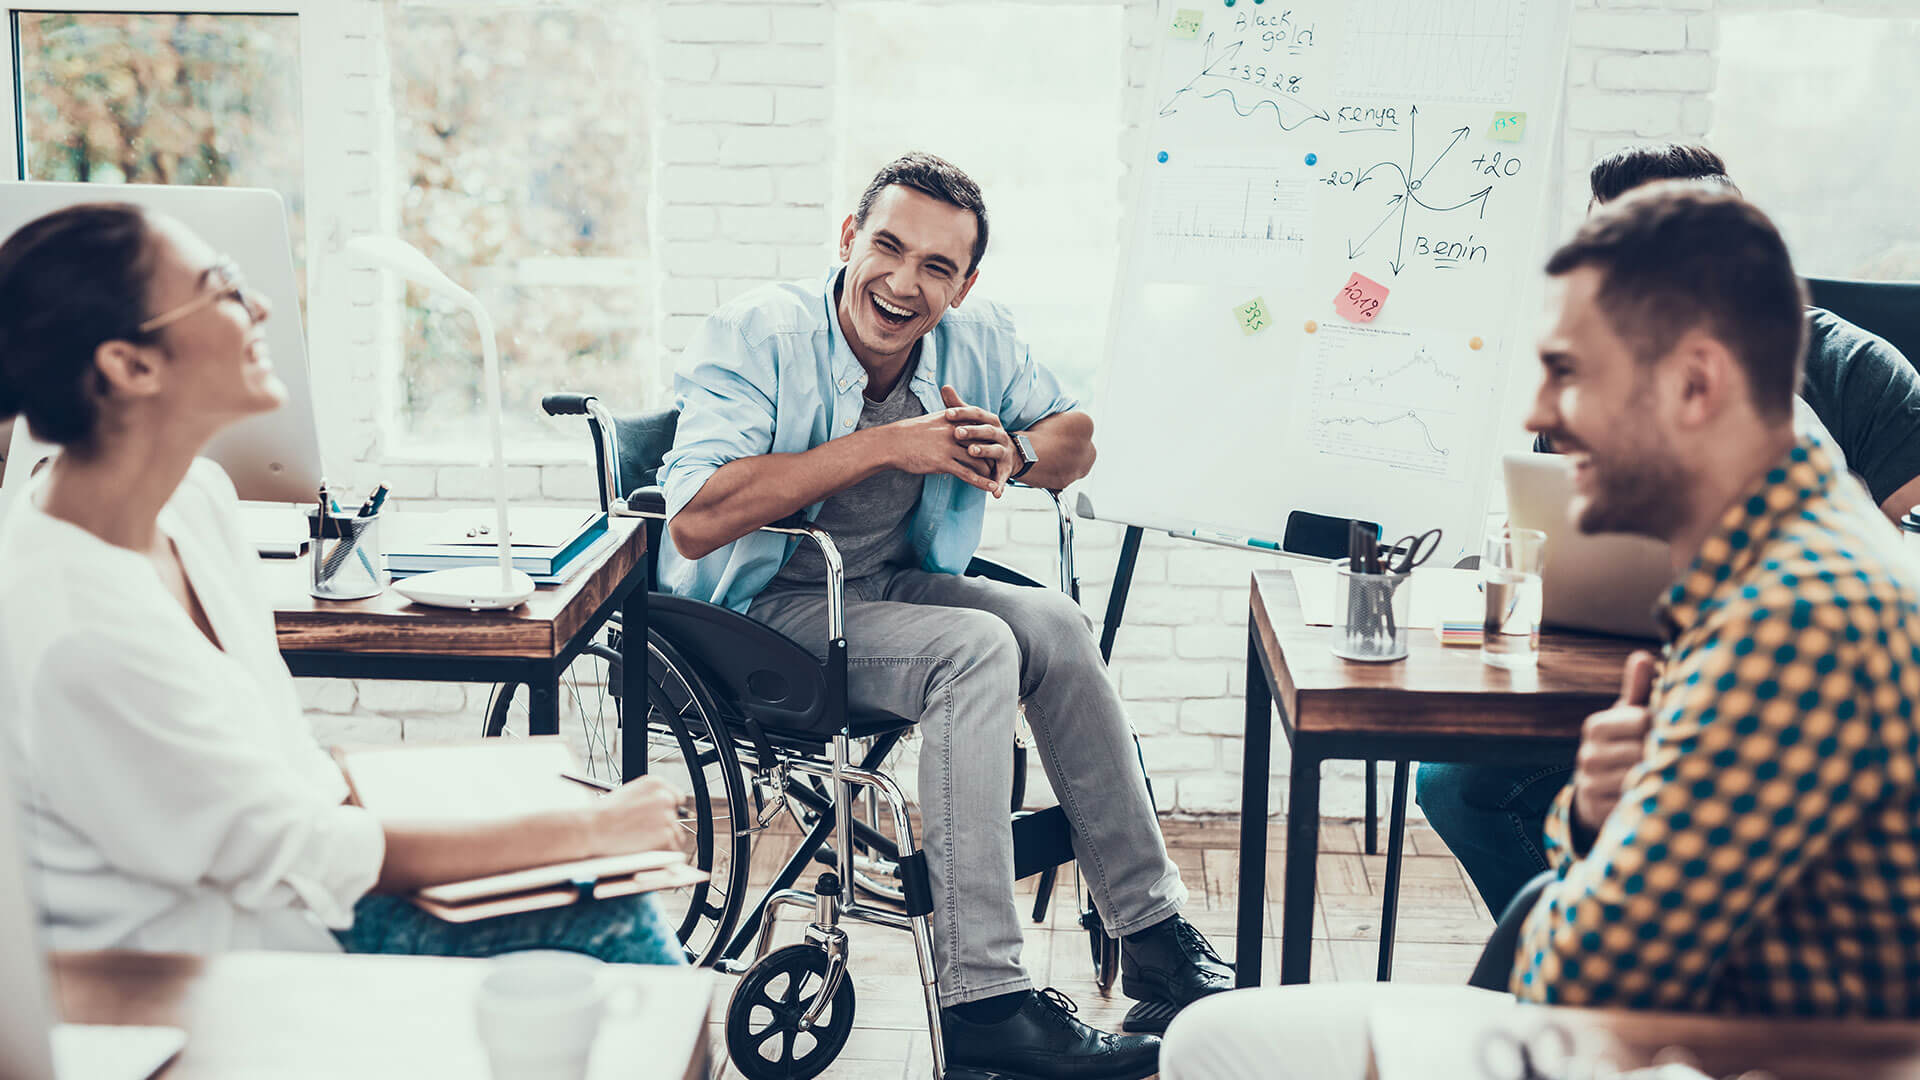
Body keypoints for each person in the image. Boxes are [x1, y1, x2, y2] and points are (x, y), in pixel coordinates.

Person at [1158, 184, 1920, 1078]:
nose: (1540, 415)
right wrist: (1605, 820)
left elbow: (1579, 975)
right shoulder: (1802, 543)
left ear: (1696, 383)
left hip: (1736, 1049)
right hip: (1727, 1021)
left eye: (1572, 373)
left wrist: (1591, 821)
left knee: (1219, 1042)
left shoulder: (1792, 620)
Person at [659, 152, 1229, 1079]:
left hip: (886, 588)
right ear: (849, 238)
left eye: (937, 266)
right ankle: (985, 1003)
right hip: (756, 612)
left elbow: (1076, 436)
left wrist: (1016, 447)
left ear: (965, 284)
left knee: (1054, 626)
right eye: (887, 246)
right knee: (975, 649)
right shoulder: (757, 333)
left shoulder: (980, 339)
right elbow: (696, 520)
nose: (903, 281)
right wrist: (891, 446)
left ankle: (1155, 936)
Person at [0, 202, 685, 965]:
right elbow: (297, 856)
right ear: (130, 365)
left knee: (599, 883)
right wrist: (588, 831)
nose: (258, 303)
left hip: (287, 886)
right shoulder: (77, 629)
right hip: (206, 959)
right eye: (222, 285)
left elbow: (280, 767)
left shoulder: (194, 500)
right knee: (613, 919)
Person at [1418, 141, 1920, 916]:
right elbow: (1561, 535)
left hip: (1794, 706)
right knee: (1457, 782)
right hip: (1626, 686)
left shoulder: (1862, 372)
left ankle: (1614, 965)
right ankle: (1593, 960)